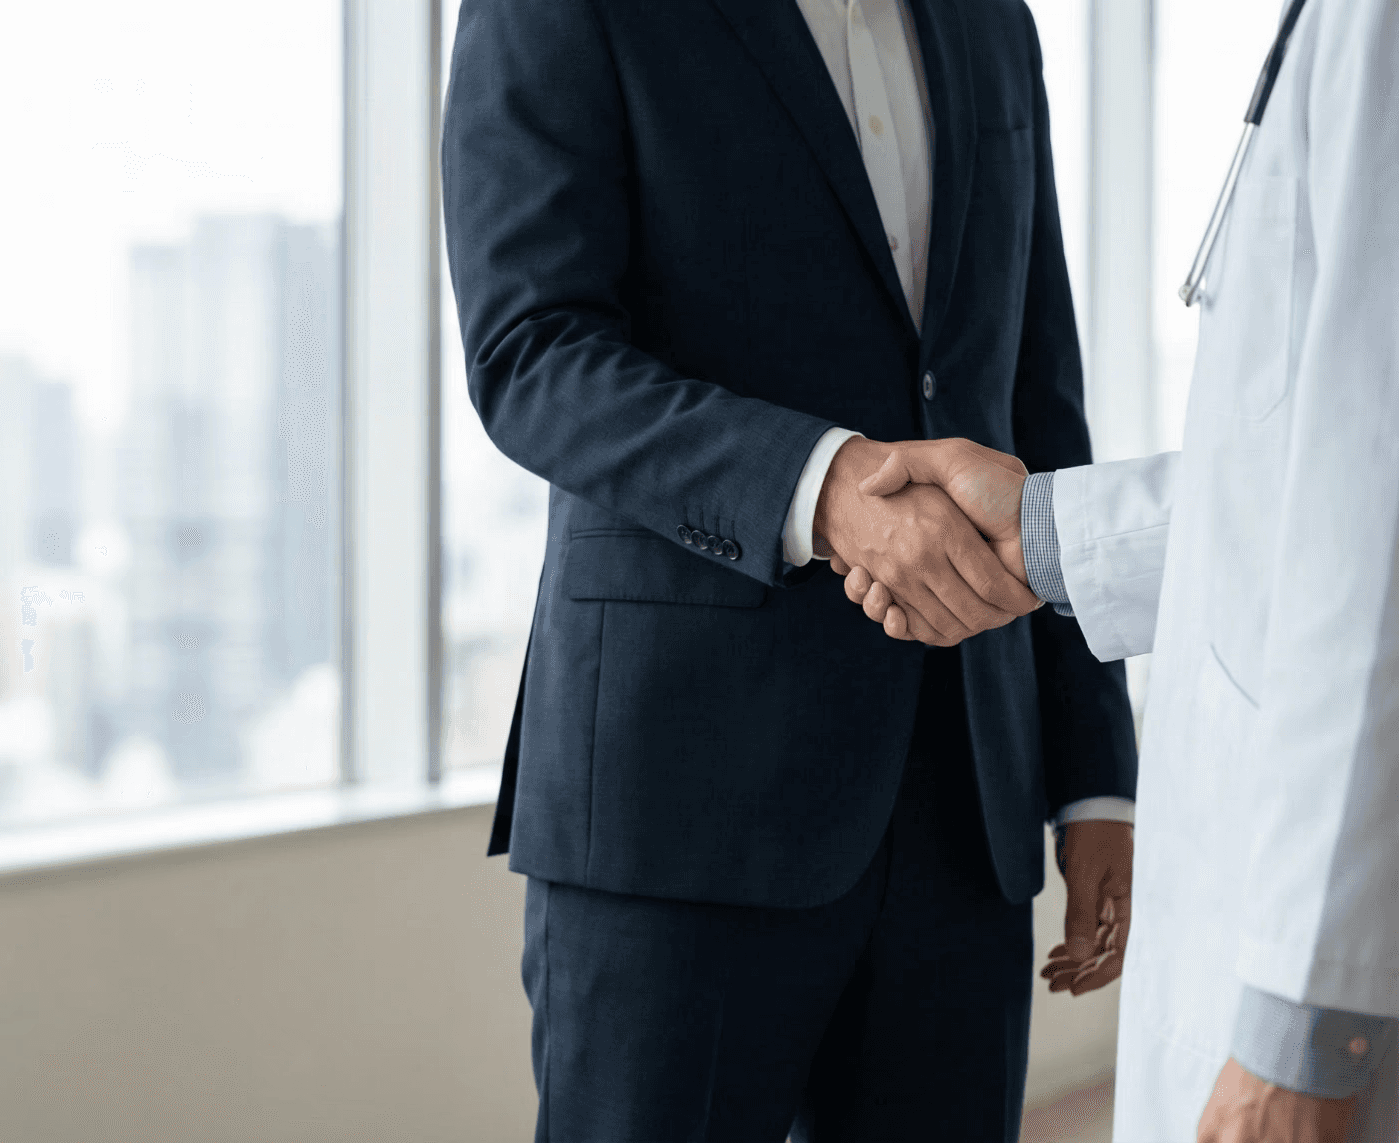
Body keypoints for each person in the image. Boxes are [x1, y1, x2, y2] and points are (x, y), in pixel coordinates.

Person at [440, 1, 1140, 1138]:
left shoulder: (992, 25)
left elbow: (1037, 401)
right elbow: (532, 349)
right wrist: (817, 488)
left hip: (965, 802)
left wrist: (1093, 773)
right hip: (676, 799)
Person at [831, 2, 1399, 1138]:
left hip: (1297, 952)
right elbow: (1297, 488)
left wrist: (1305, 1027)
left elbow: (1368, 524)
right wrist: (1043, 534)